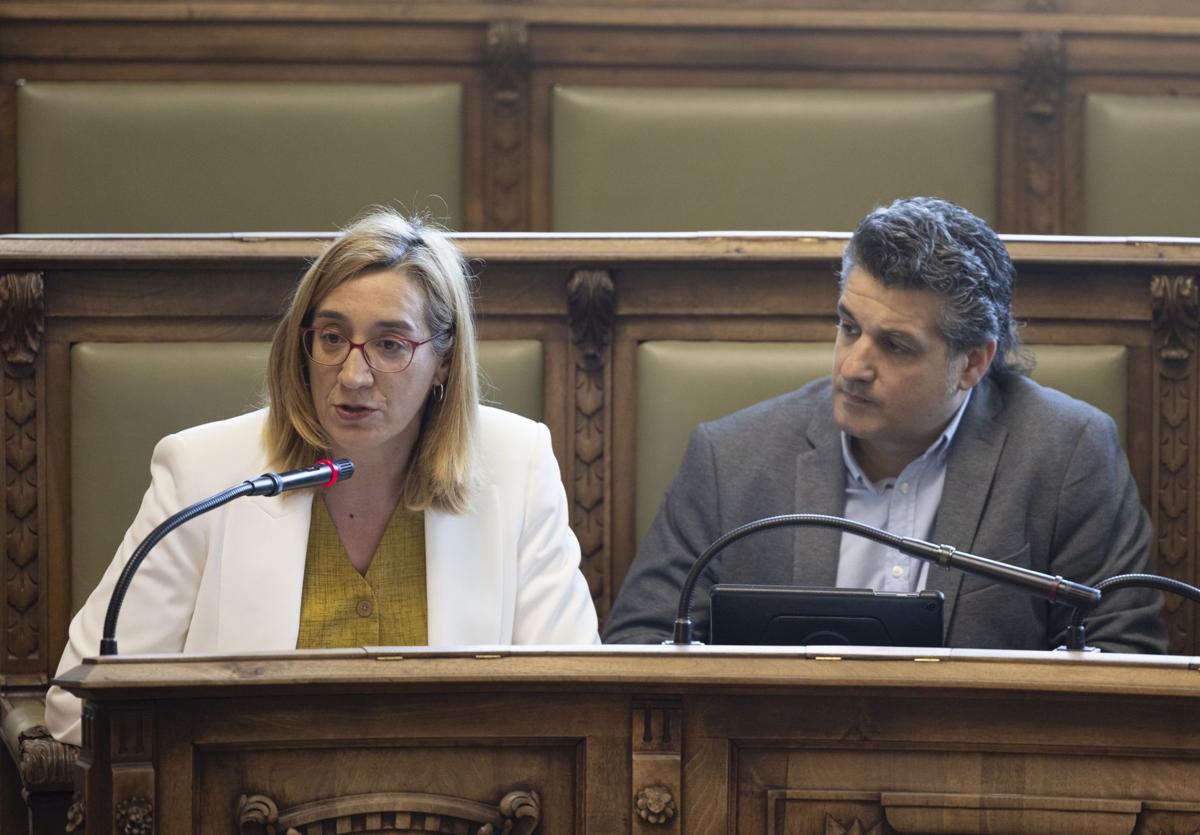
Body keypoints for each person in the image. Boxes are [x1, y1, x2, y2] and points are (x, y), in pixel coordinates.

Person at [48, 210, 599, 745]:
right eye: (332, 338)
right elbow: (77, 707)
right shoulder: (204, 471)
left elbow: (580, 706)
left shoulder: (517, 464)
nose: (354, 376)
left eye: (391, 345)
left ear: (445, 362)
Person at [603, 196, 1166, 654]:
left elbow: (1122, 655)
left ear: (972, 362)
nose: (853, 367)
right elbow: (641, 644)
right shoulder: (731, 458)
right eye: (849, 327)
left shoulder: (1067, 454)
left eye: (895, 346)